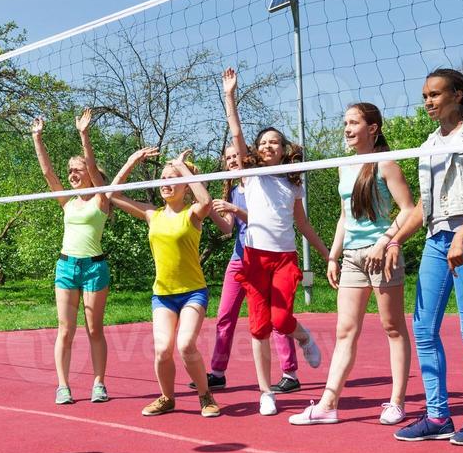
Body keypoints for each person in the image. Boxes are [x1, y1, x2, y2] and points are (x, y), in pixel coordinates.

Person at [393, 69, 463, 446]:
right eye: (425, 95)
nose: (428, 101)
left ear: (458, 95)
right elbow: (424, 204)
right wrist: (393, 240)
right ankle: (438, 415)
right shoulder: (427, 145)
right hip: (435, 237)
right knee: (423, 328)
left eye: (435, 94)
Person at [290, 103, 418, 427]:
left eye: (354, 122)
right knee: (345, 331)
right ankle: (328, 404)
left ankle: (397, 402)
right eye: (345, 122)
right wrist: (333, 255)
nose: (347, 128)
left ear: (372, 128)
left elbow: (407, 209)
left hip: (382, 255)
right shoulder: (344, 166)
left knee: (393, 328)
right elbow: (345, 217)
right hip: (352, 258)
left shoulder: (386, 164)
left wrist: (385, 241)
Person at [215, 68, 329, 417]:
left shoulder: (293, 184)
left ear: (283, 150)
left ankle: (304, 336)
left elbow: (303, 224)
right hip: (253, 258)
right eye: (262, 142)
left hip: (284, 258)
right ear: (256, 150)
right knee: (259, 326)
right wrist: (230, 96)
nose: (267, 146)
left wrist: (328, 255)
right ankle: (266, 391)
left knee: (282, 320)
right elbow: (235, 130)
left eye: (274, 142)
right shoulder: (248, 174)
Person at [109, 147, 220, 418]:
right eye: (163, 178)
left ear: (185, 186)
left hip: (193, 292)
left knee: (185, 345)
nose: (165, 183)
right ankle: (167, 398)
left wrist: (180, 167)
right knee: (161, 350)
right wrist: (132, 159)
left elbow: (206, 199)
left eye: (172, 179)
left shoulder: (193, 214)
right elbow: (111, 195)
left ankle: (205, 396)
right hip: (163, 295)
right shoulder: (152, 214)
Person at [191, 140, 301, 393]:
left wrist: (236, 209)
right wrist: (209, 207)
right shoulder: (231, 191)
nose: (232, 161)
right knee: (225, 316)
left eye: (235, 157)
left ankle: (290, 373)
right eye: (227, 158)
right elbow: (227, 228)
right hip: (239, 258)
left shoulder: (261, 182)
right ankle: (217, 372)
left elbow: (265, 219)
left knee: (276, 316)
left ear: (245, 158)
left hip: (265, 257)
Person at [31, 110, 112, 405]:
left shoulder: (101, 200)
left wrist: (84, 135)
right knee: (65, 330)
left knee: (94, 329)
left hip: (94, 268)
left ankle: (99, 383)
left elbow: (91, 166)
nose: (73, 174)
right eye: (70, 170)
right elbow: (47, 174)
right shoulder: (67, 203)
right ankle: (63, 386)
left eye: (78, 170)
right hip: (66, 267)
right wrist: (37, 138)